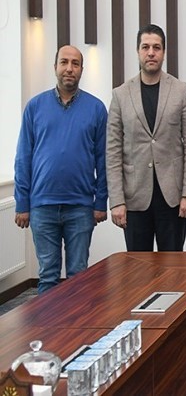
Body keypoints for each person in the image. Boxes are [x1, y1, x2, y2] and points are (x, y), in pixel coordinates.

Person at [14, 45, 108, 294]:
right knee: (47, 276)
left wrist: (101, 202)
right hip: (42, 206)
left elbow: (104, 159)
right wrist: (22, 203)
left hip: (81, 207)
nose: (69, 68)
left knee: (79, 276)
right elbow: (23, 157)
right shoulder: (35, 107)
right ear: (55, 67)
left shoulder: (96, 108)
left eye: (75, 64)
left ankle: (78, 322)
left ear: (81, 70)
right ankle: (48, 322)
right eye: (64, 62)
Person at [106, 24, 186, 252]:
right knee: (138, 268)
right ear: (138, 51)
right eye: (145, 47)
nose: (151, 53)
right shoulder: (120, 95)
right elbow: (113, 152)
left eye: (156, 47)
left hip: (172, 199)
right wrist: (117, 200)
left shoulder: (180, 90)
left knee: (173, 267)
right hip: (135, 198)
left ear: (163, 52)